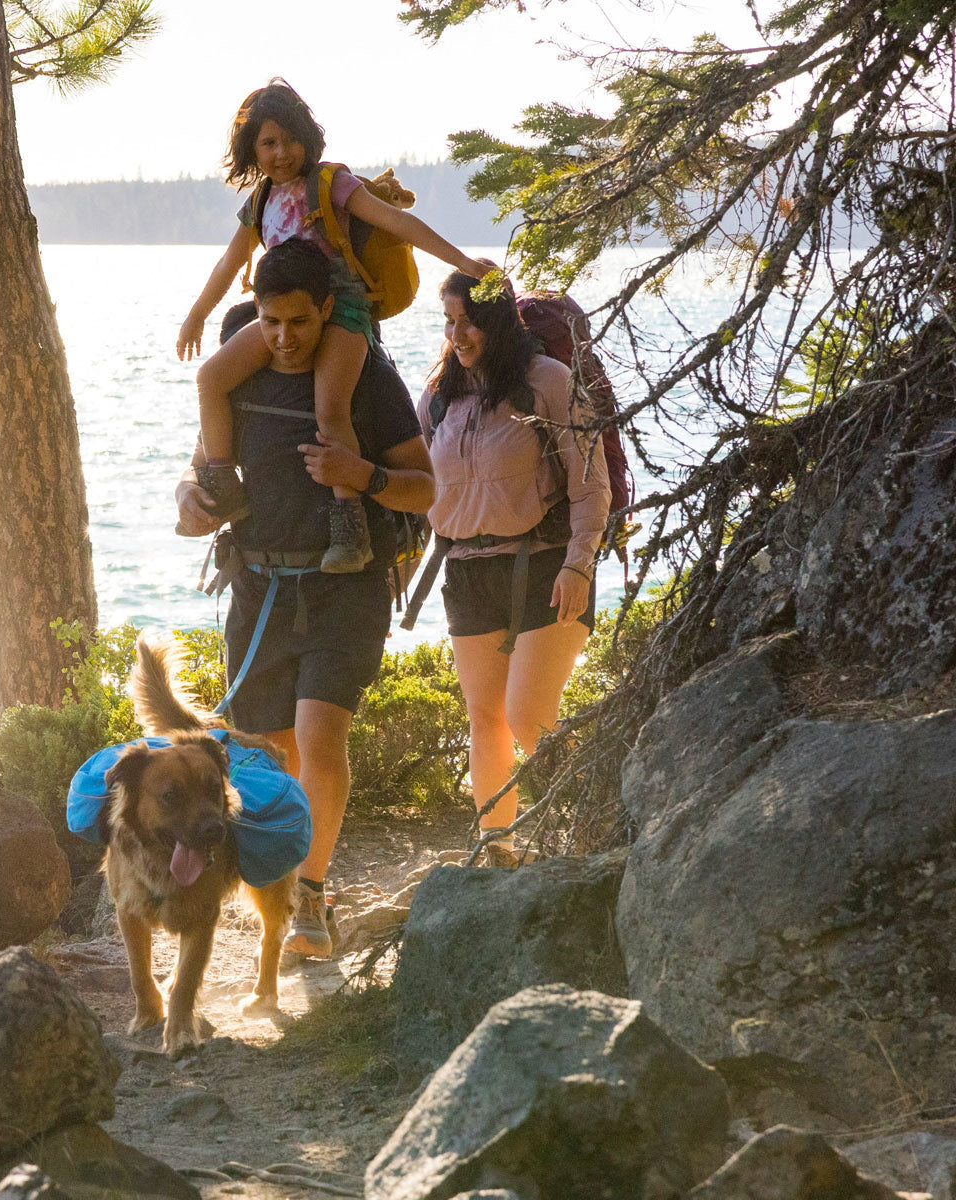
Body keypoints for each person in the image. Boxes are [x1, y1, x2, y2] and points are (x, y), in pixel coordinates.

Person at [175, 237, 435, 956]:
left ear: (327, 307)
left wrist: (363, 474)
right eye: (271, 322)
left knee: (320, 738)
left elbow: (427, 487)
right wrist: (190, 501)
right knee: (269, 751)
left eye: (300, 322)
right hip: (257, 585)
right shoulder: (240, 372)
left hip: (343, 586)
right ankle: (284, 889)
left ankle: (311, 897)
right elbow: (198, 470)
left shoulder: (366, 377)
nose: (285, 339)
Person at [176, 79, 485, 573]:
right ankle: (222, 486)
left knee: (329, 407)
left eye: (290, 139)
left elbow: (396, 223)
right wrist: (196, 315)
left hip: (339, 311)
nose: (281, 153)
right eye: (268, 143)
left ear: (308, 138)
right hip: (282, 312)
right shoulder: (260, 201)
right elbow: (232, 263)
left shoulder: (331, 183)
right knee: (210, 378)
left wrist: (462, 260)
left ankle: (349, 525)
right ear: (251, 148)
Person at [418, 269, 611, 868]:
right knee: (485, 718)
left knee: (527, 712)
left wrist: (580, 563)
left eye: (468, 320)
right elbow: (420, 487)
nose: (458, 334)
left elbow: (591, 483)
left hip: (546, 564)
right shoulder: (437, 396)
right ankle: (496, 850)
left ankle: (600, 818)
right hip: (467, 570)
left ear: (499, 319)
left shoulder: (548, 382)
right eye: (449, 322)